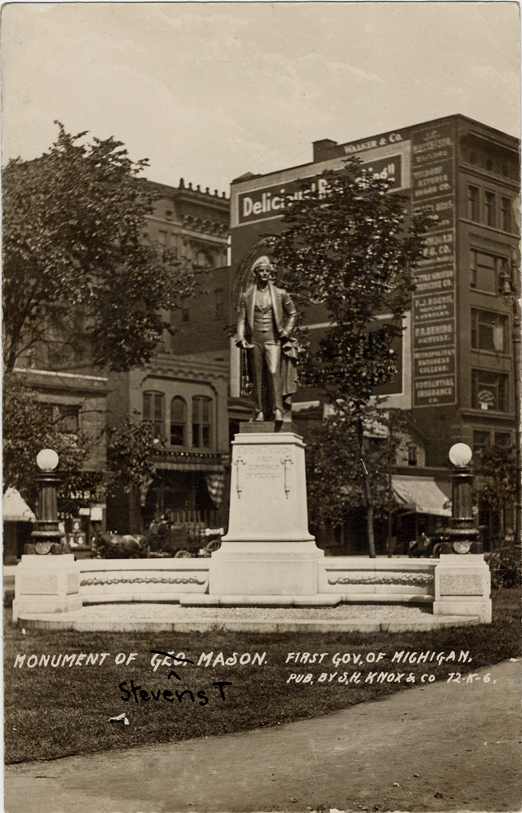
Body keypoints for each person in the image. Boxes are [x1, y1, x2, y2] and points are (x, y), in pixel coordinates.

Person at [236, 256, 297, 422]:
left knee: (273, 372)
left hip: (273, 339)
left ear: (271, 273)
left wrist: (287, 331)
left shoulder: (280, 293)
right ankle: (259, 411)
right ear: (255, 273)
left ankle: (278, 410)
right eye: (261, 271)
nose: (264, 273)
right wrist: (240, 337)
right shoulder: (246, 296)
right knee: (257, 376)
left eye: (267, 271)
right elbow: (241, 319)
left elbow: (292, 313)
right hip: (255, 340)